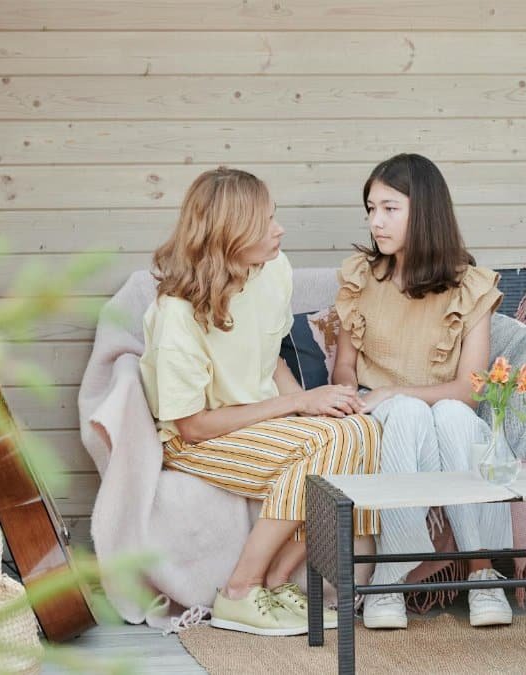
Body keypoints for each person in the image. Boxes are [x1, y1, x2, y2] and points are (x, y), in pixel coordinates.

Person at [139, 168, 382, 636]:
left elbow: (270, 361)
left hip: (258, 423)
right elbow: (191, 426)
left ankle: (275, 579)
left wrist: (315, 405)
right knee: (322, 444)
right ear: (228, 234)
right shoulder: (177, 316)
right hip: (199, 439)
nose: (280, 229)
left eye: (275, 217)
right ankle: (238, 590)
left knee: (359, 428)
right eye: (265, 222)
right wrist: (298, 407)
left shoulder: (274, 270)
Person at [332, 153, 514, 630]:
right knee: (410, 415)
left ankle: (483, 572)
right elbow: (344, 370)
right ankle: (390, 580)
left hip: (443, 408)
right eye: (371, 209)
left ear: (425, 210)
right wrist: (353, 396)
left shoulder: (470, 286)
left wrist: (394, 394)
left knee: (453, 417)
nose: (376, 221)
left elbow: (470, 391)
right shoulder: (359, 277)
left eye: (390, 208)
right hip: (383, 415)